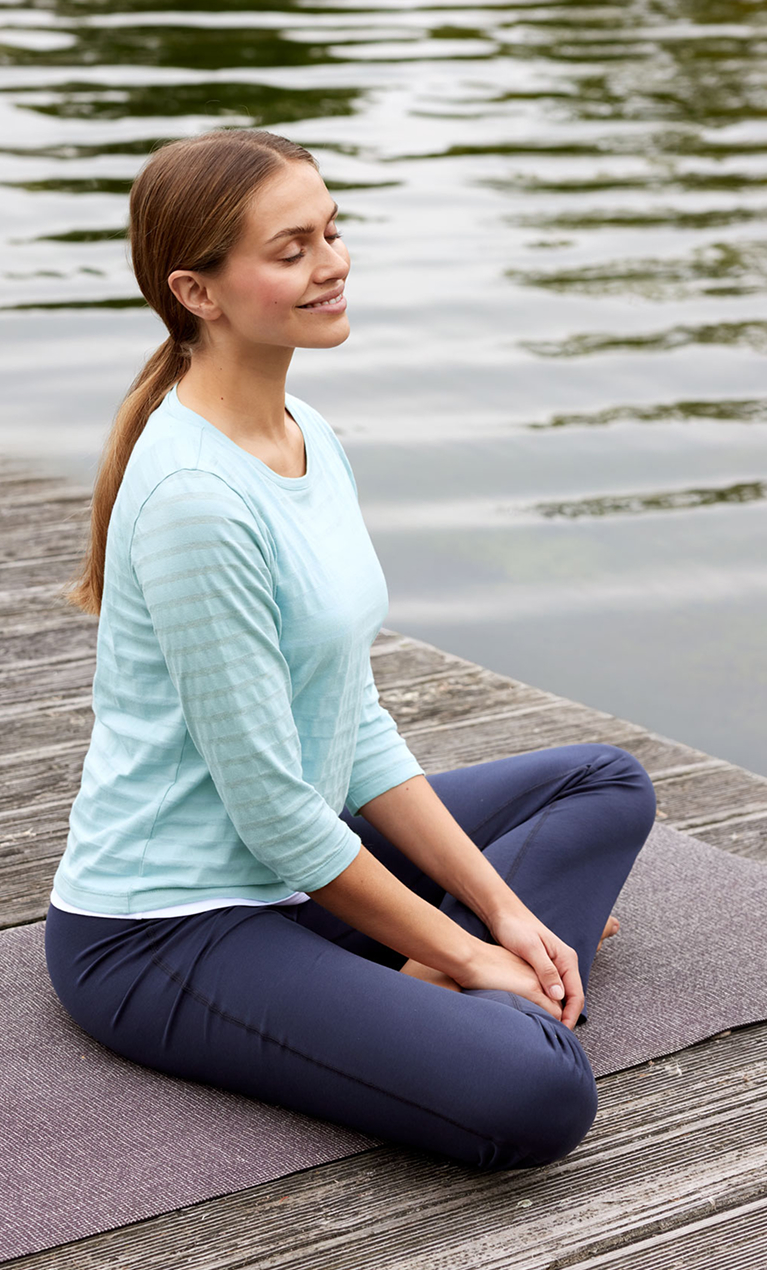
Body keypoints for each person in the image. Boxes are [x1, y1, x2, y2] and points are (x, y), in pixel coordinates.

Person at [45, 128, 656, 1171]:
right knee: (537, 1089)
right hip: (171, 927)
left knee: (605, 784)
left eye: (332, 231)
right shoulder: (196, 499)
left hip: (298, 871)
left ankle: (436, 971)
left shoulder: (306, 433)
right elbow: (275, 813)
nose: (332, 263)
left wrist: (501, 912)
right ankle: (444, 985)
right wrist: (460, 945)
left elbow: (354, 718)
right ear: (198, 291)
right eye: (291, 251)